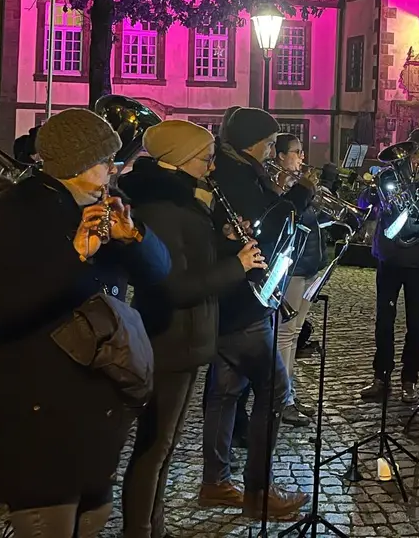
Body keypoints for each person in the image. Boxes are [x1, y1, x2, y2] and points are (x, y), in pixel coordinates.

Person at [0, 108, 171, 538]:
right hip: (40, 402)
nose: (113, 168)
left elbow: (159, 272)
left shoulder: (105, 203)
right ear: (73, 163)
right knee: (50, 522)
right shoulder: (20, 210)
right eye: (104, 160)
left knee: (93, 517)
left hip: (94, 403)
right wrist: (75, 254)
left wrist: (133, 237)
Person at [118, 120, 266, 538]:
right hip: (170, 337)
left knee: (163, 449)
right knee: (153, 449)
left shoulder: (184, 200)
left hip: (187, 338)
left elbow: (193, 258)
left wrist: (225, 241)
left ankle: (154, 526)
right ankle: (140, 529)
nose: (212, 166)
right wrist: (236, 267)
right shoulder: (164, 208)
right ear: (181, 160)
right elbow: (175, 285)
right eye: (205, 158)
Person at [200, 107, 311, 519]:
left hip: (227, 299)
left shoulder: (229, 170)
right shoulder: (240, 176)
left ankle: (214, 481)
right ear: (252, 142)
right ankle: (259, 491)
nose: (270, 150)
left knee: (225, 391)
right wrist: (301, 194)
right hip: (243, 299)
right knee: (275, 391)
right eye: (267, 142)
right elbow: (272, 224)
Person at [358, 143, 419, 404]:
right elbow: (364, 202)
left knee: (415, 323)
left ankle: (410, 378)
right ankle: (380, 377)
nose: (418, 160)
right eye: (414, 155)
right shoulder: (389, 178)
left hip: (418, 262)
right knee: (384, 321)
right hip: (389, 258)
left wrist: (409, 227)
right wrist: (372, 190)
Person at [272, 131, 330, 426]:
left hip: (309, 266)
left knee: (294, 334)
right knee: (284, 335)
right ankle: (282, 399)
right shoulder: (278, 185)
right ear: (280, 156)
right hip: (292, 269)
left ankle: (289, 392)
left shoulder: (298, 184)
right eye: (295, 152)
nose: (301, 157)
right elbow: (285, 219)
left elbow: (312, 219)